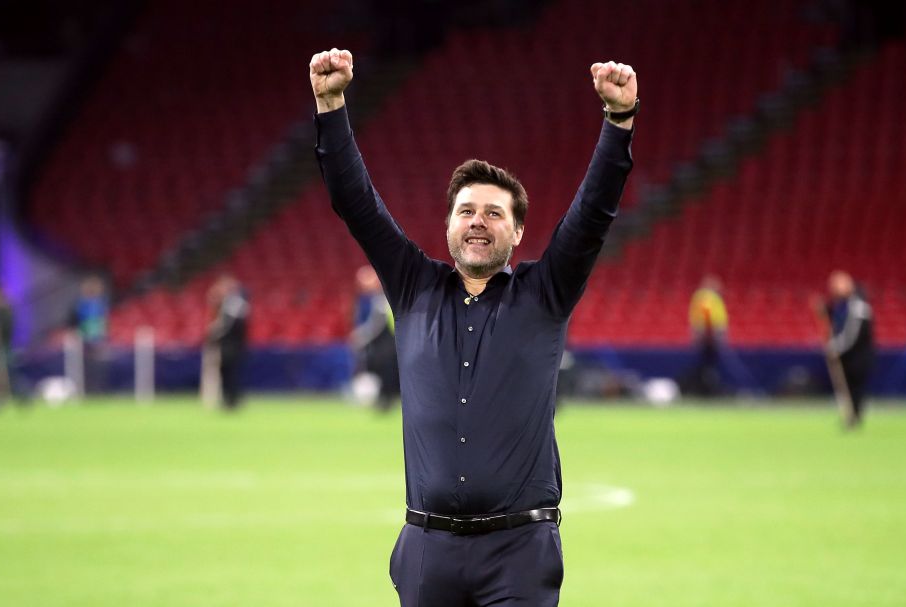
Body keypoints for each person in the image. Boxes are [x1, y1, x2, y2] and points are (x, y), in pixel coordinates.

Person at [311, 48, 638, 606]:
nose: (478, 223)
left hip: (519, 551)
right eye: (466, 211)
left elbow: (592, 215)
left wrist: (618, 122)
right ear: (447, 227)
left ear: (516, 234)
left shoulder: (544, 293)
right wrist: (331, 103)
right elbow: (356, 203)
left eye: (493, 213)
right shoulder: (413, 288)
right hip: (427, 550)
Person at [824, 270, 875, 426]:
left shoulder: (859, 306)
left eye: (837, 284)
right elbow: (836, 322)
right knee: (847, 388)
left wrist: (836, 346)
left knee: (855, 387)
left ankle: (855, 417)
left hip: (858, 356)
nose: (833, 289)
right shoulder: (842, 305)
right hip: (848, 355)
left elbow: (852, 334)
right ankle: (850, 416)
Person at [350, 265, 399, 411]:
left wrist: (361, 336)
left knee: (386, 368)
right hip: (371, 342)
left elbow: (376, 323)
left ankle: (387, 398)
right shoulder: (361, 299)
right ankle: (378, 398)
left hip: (384, 341)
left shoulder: (381, 298)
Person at [205, 274, 250, 409]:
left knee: (231, 373)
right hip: (230, 344)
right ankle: (228, 400)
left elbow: (228, 326)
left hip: (232, 345)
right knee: (227, 373)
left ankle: (232, 400)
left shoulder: (235, 304)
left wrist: (214, 335)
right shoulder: (228, 303)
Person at [685, 274, 728, 395]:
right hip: (709, 336)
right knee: (707, 365)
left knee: (706, 365)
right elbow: (707, 314)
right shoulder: (707, 297)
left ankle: (705, 386)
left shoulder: (705, 296)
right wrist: (711, 332)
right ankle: (706, 388)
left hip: (707, 334)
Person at [67, 275, 109, 395]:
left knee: (97, 368)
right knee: (84, 368)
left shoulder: (101, 303)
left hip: (97, 341)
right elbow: (73, 322)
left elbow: (103, 323)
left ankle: (98, 391)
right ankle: (84, 391)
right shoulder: (80, 305)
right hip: (83, 341)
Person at [0, 286, 13, 403]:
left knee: (6, 373)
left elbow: (5, 331)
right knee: (1, 373)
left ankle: (7, 397)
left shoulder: (5, 312)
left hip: (3, 347)